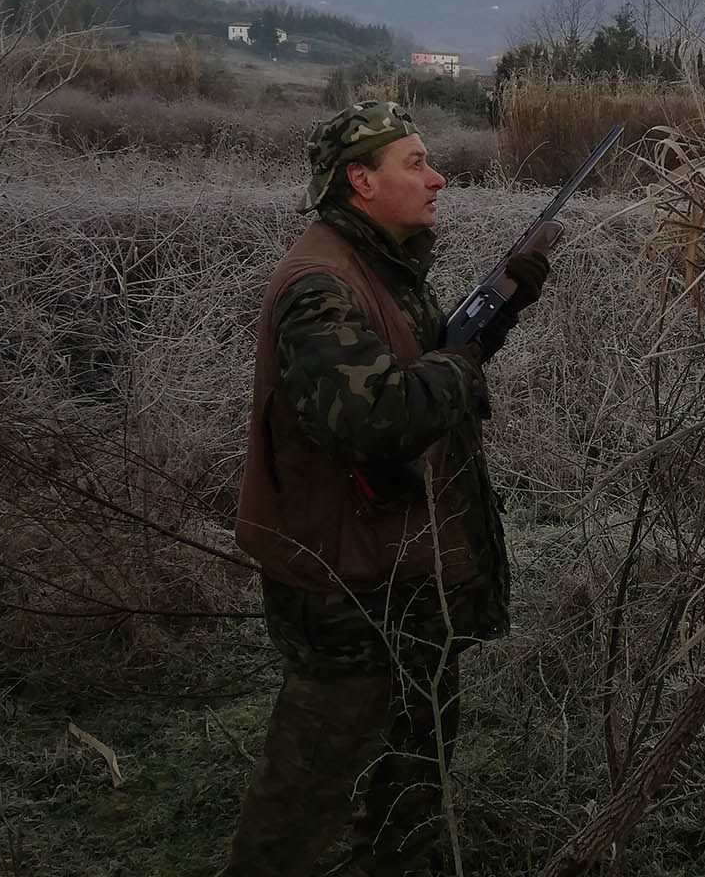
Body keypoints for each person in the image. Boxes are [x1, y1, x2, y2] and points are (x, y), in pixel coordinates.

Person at [224, 101, 548, 877]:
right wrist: (460, 368)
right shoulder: (320, 286)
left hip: (398, 571)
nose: (437, 178)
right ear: (359, 180)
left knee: (411, 774)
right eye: (415, 164)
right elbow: (370, 420)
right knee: (307, 788)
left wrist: (501, 306)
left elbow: (422, 364)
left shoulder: (381, 266)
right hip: (348, 589)